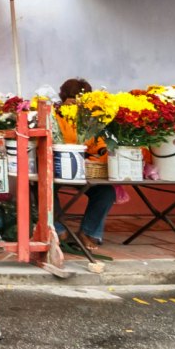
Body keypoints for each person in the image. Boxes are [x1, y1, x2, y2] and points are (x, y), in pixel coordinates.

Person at [58, 77, 117, 246]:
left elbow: (101, 148)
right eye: (70, 102)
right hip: (57, 166)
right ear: (63, 100)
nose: (74, 107)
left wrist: (92, 160)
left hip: (84, 168)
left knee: (106, 192)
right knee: (43, 189)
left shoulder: (92, 121)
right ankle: (59, 231)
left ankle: (88, 233)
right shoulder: (54, 117)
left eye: (80, 103)